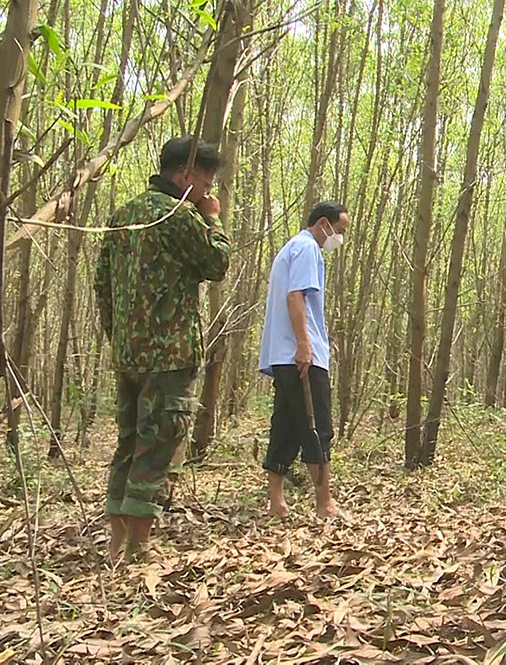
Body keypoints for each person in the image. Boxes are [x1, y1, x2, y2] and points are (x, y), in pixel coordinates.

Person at [94, 136, 231, 564]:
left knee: (129, 441)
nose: (209, 192)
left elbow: (102, 284)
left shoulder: (123, 215)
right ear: (185, 175)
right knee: (158, 445)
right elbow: (216, 264)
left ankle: (117, 542)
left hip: (129, 354)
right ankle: (138, 547)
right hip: (170, 354)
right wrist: (214, 221)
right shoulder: (178, 215)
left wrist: (118, 336)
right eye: (206, 182)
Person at [258, 201, 349, 519]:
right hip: (301, 355)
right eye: (339, 231)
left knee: (284, 423)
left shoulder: (290, 248)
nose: (339, 238)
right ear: (323, 223)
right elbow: (295, 295)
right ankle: (325, 504)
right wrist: (304, 345)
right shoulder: (307, 248)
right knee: (316, 424)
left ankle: (276, 502)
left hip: (284, 355)